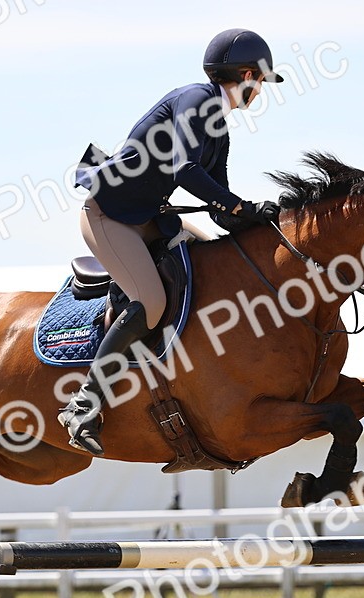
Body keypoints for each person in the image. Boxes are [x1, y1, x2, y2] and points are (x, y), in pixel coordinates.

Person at [59, 28, 285, 456]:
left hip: (145, 219)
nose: (259, 92)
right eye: (258, 81)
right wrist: (238, 206)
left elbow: (221, 207)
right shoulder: (197, 99)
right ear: (245, 74)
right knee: (153, 301)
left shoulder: (219, 131)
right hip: (108, 216)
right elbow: (185, 171)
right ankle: (84, 404)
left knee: (213, 263)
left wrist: (262, 220)